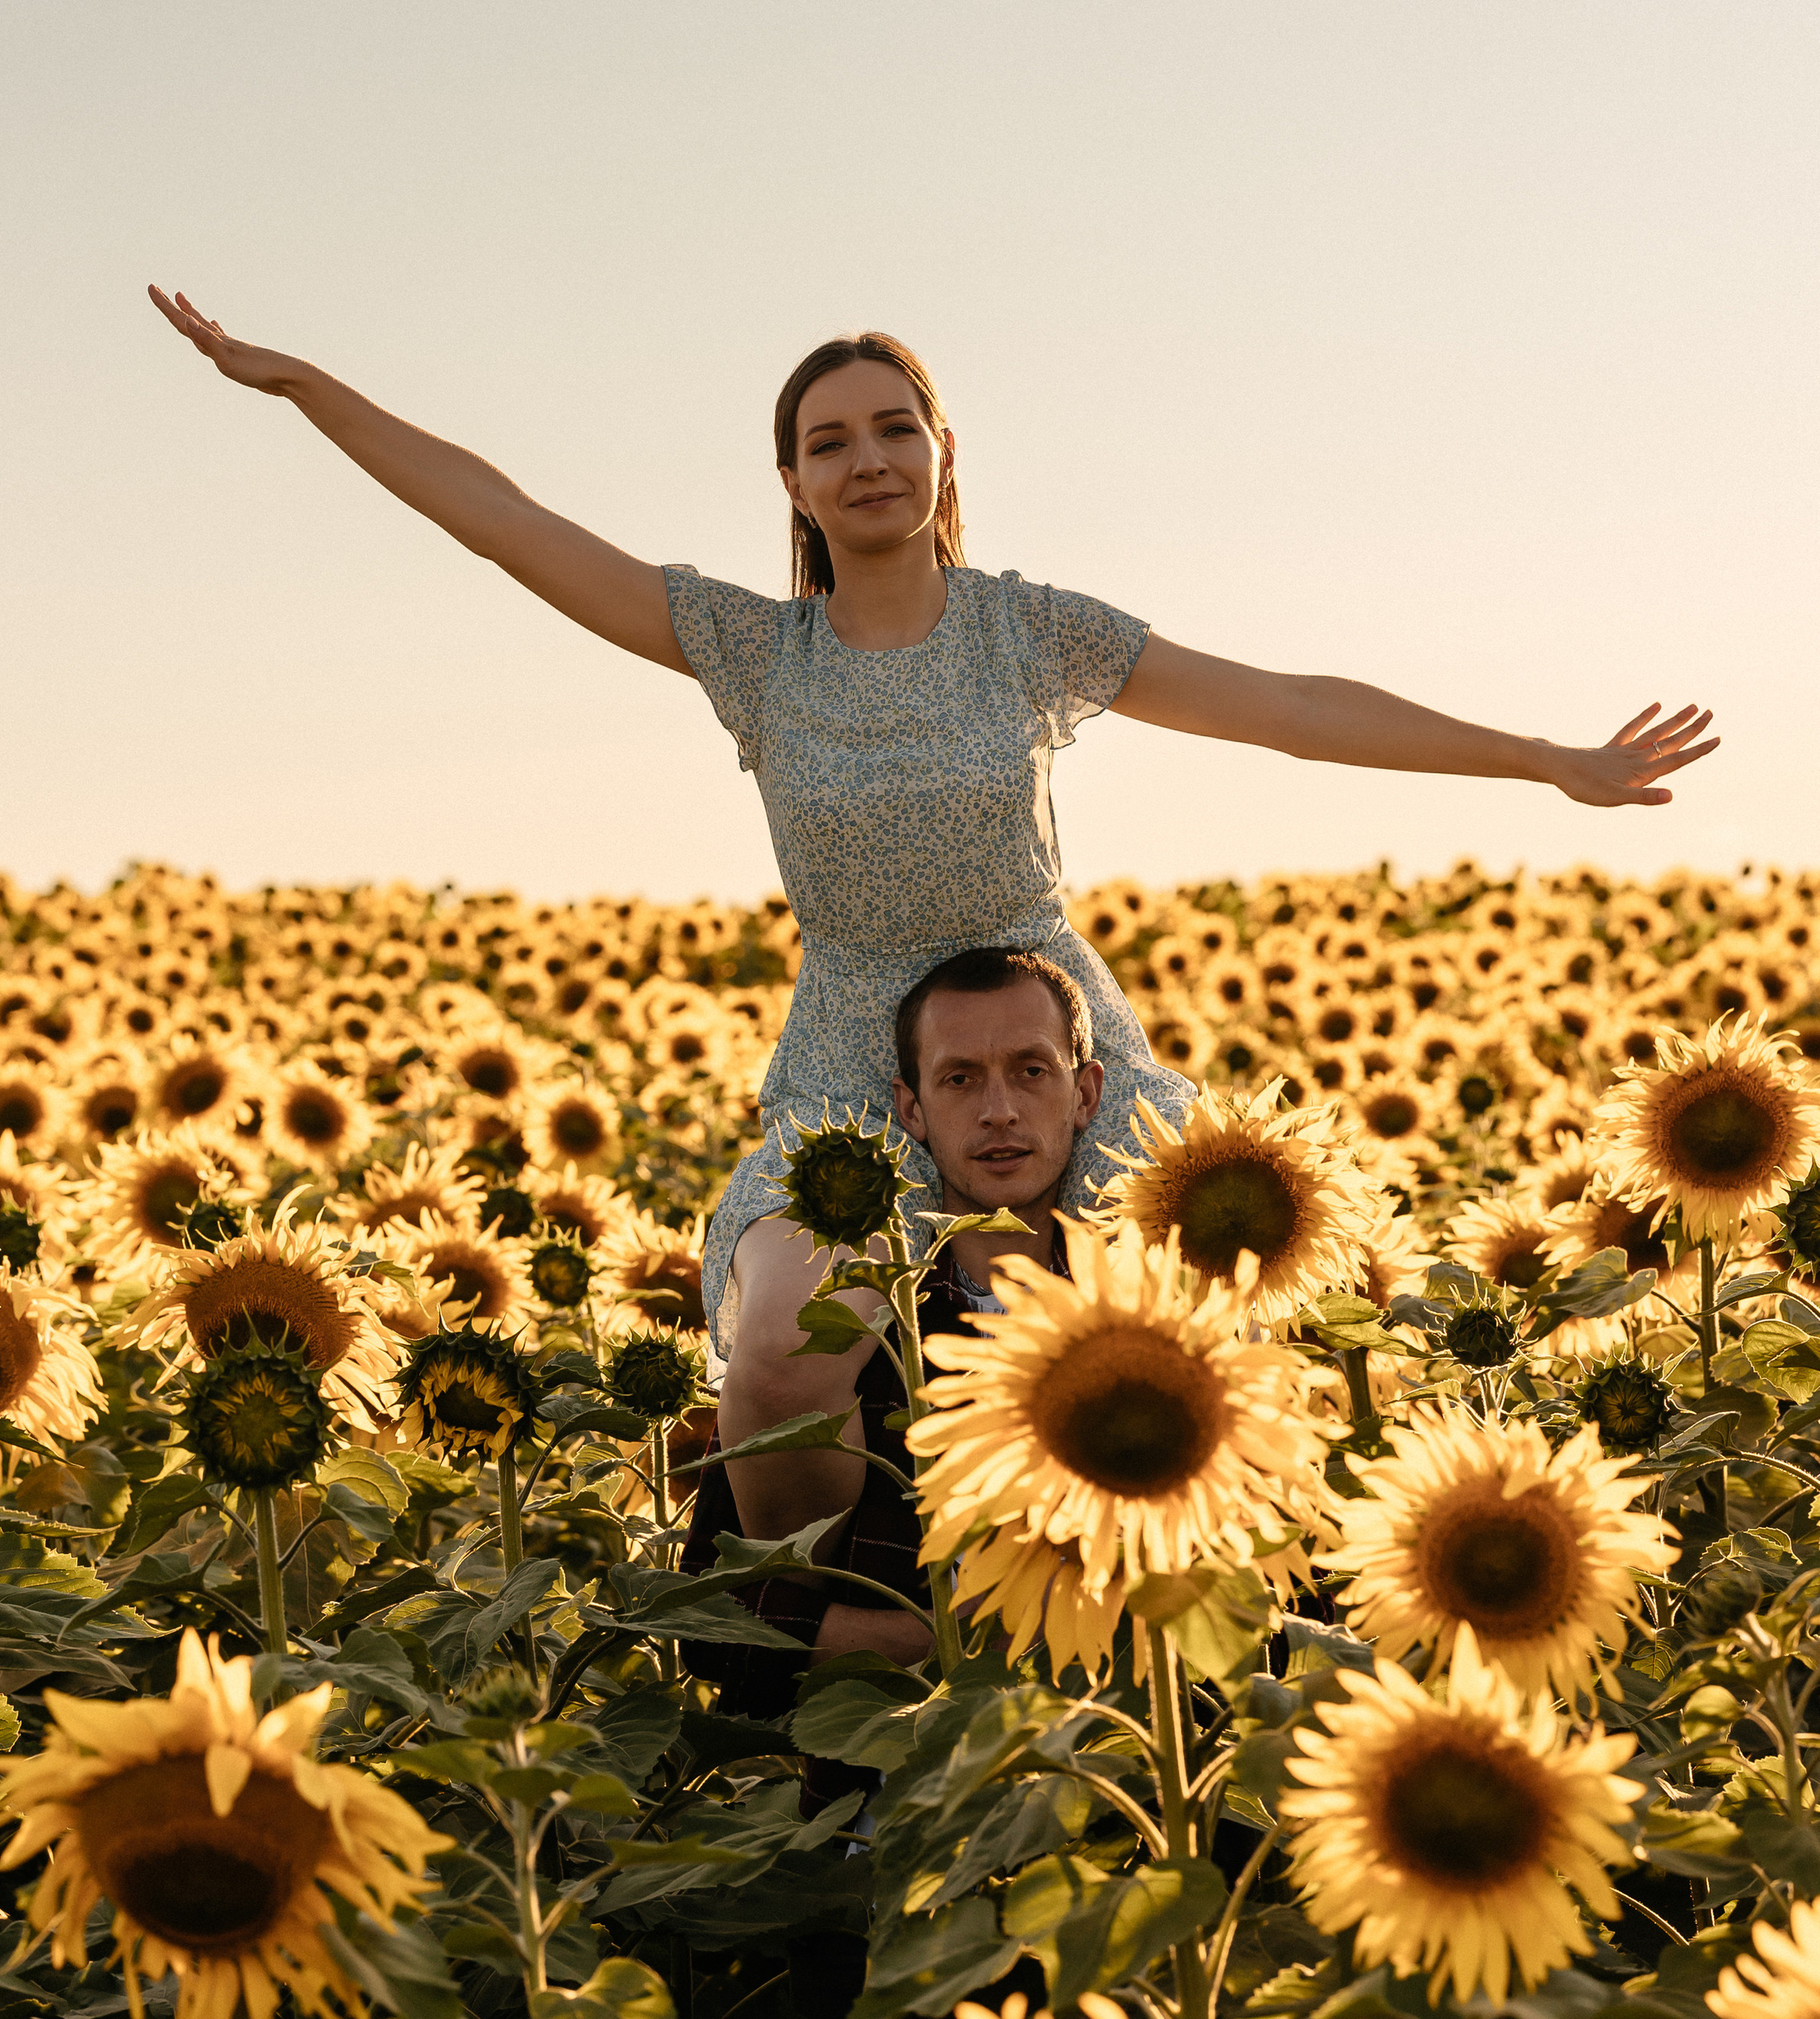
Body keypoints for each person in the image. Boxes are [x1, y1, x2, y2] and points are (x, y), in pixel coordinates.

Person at [146, 296, 1718, 1481]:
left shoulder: (1031, 632)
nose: (868, 460)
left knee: (1202, 1319)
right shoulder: (753, 652)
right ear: (792, 481)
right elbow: (505, 524)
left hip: (1048, 1044)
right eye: (830, 441)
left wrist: (1540, 759)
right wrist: (305, 387)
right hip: (854, 1055)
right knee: (780, 1357)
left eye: (894, 428)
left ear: (941, 451)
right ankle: (812, 1644)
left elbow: (1291, 707)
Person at [679, 942, 1098, 1706]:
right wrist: (970, 1642)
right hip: (884, 1772)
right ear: (912, 1111)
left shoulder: (1140, 1332)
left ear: (1085, 1093)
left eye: (1031, 1071)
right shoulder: (858, 1334)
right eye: (959, 1078)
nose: (998, 1110)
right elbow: (719, 1623)